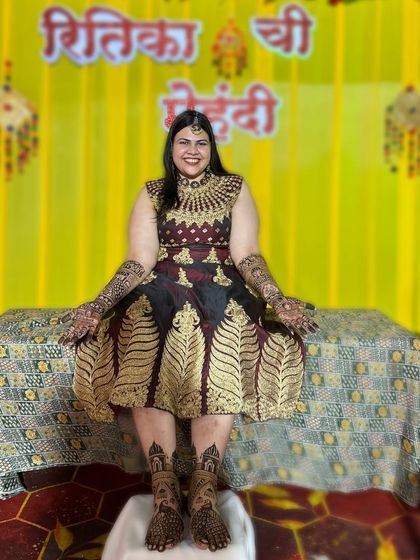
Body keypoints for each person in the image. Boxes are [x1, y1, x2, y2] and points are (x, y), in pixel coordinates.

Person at [59, 109, 318, 553]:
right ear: (171, 148)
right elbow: (139, 259)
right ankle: (163, 498)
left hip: (220, 286)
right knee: (138, 322)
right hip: (161, 287)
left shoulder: (234, 188)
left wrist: (277, 298)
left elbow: (247, 254)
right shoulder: (154, 192)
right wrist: (97, 305)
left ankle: (201, 497)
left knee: (224, 324)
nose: (192, 151)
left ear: (211, 148)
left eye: (201, 143)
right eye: (184, 142)